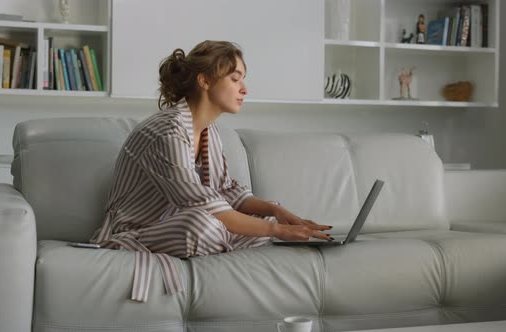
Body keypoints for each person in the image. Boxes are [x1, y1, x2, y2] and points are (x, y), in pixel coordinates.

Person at [90, 40, 332, 302]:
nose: (244, 89)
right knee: (205, 225)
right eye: (235, 79)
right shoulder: (166, 132)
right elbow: (207, 207)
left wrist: (276, 211)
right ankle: (230, 238)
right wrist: (276, 231)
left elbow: (226, 191)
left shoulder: (210, 131)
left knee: (264, 219)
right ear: (205, 81)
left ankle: (230, 237)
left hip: (194, 222)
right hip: (138, 230)